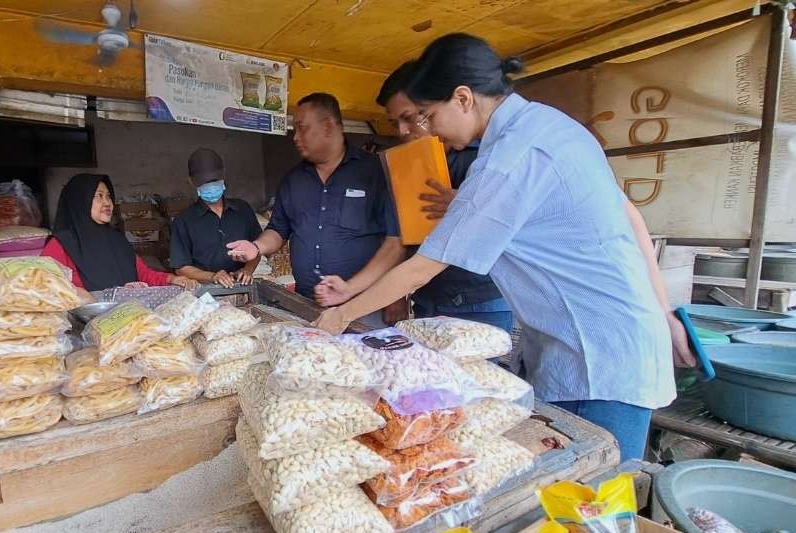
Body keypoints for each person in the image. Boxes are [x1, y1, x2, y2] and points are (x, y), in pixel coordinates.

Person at [314, 34, 695, 462]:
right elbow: (628, 221)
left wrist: (340, 316)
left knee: (591, 506)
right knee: (585, 503)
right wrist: (661, 314)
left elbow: (424, 266)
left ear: (462, 98)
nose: (428, 129)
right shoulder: (551, 126)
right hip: (612, 341)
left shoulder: (510, 158)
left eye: (428, 115)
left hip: (597, 360)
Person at [317, 60, 513, 330]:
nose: (401, 131)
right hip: (427, 301)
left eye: (411, 118)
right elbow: (395, 244)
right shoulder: (405, 168)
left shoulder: (486, 159)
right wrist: (348, 289)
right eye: (394, 122)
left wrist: (470, 205)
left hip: (479, 305)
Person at [226, 92, 403, 325]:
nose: (295, 137)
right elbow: (279, 229)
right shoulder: (294, 180)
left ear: (328, 126)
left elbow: (396, 242)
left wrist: (395, 295)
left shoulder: (374, 173)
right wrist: (256, 247)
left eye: (302, 128)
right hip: (306, 304)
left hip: (364, 305)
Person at [41, 173, 197, 291]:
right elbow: (52, 291)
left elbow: (143, 274)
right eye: (99, 196)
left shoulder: (117, 240)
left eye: (108, 196)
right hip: (83, 325)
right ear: (79, 201)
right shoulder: (61, 245)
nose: (107, 202)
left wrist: (171, 279)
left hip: (128, 320)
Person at [171, 148, 262, 289]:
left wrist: (247, 270)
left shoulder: (243, 210)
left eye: (214, 181)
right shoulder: (183, 221)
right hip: (203, 294)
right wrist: (212, 276)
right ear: (191, 182)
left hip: (241, 287)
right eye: (204, 183)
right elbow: (181, 268)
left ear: (223, 175)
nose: (211, 186)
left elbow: (257, 248)